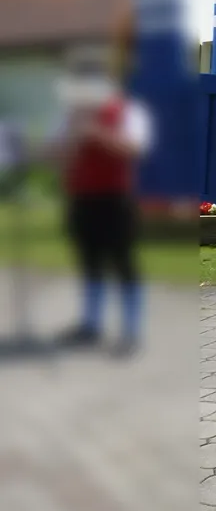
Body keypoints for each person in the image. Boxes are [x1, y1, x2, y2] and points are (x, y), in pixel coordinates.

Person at [55, 57, 151, 351]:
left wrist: (97, 133)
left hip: (115, 199)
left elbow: (135, 148)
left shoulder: (127, 110)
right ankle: (91, 324)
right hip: (81, 198)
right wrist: (68, 143)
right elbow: (55, 155)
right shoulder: (71, 115)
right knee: (88, 261)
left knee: (123, 262)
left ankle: (131, 330)